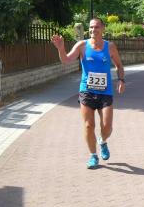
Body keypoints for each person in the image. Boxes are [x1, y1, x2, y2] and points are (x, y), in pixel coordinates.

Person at [52, 17, 125, 169]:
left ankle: (102, 141)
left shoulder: (110, 47)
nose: (93, 30)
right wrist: (60, 48)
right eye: (91, 27)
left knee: (107, 127)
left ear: (103, 28)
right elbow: (66, 60)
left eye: (96, 27)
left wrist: (121, 80)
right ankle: (93, 155)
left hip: (105, 92)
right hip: (87, 91)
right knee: (88, 125)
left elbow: (119, 65)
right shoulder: (82, 46)